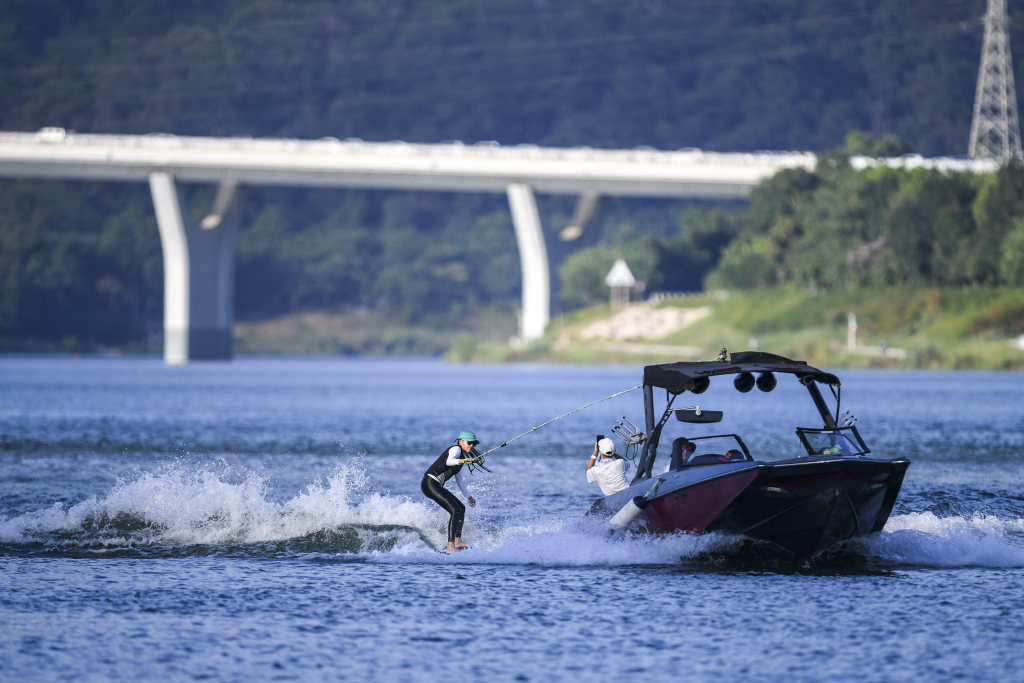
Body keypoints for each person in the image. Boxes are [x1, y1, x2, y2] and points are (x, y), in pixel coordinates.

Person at [422, 430, 480, 553]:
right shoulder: (456, 449)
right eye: (469, 443)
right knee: (454, 510)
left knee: (461, 508)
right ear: (461, 441)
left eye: (474, 444)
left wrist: (469, 496)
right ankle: (450, 547)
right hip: (429, 483)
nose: (471, 446)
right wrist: (463, 461)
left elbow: (459, 481)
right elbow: (449, 461)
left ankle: (457, 541)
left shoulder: (461, 458)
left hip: (435, 485)